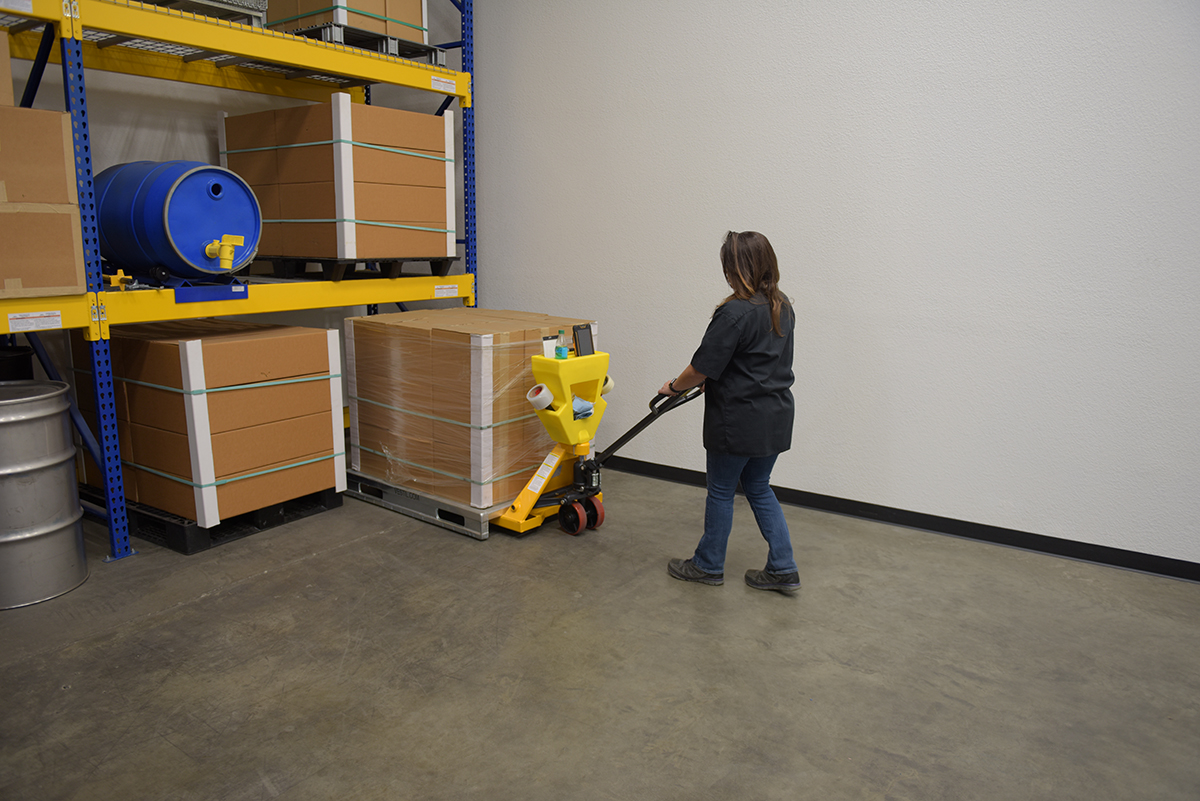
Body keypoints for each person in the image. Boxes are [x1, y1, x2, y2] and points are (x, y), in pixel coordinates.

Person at [660, 230, 800, 593]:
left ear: (734, 268)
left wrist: (674, 386)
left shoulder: (734, 312)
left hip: (738, 419)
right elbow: (755, 361)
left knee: (721, 490)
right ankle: (783, 567)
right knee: (759, 486)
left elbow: (701, 367)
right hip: (775, 415)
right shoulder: (782, 306)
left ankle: (707, 565)